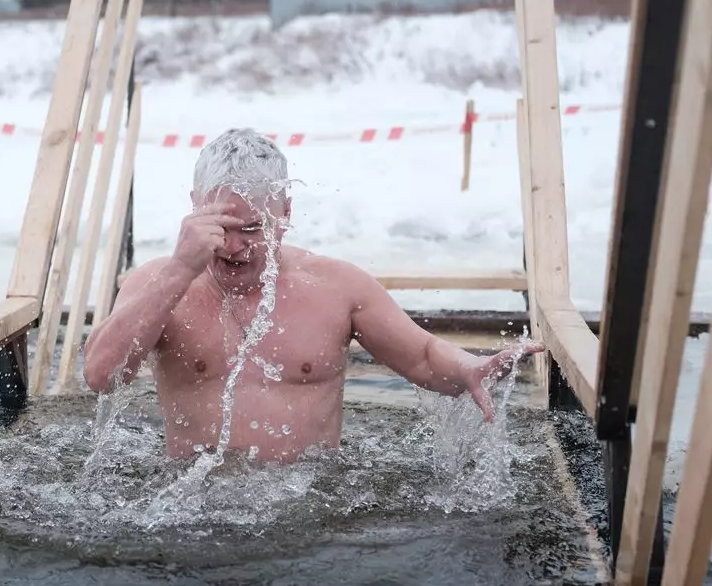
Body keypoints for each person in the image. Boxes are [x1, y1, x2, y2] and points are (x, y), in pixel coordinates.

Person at [82, 128, 544, 462]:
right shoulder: (158, 285)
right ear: (194, 206)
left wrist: (467, 370)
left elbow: (421, 355)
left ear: (285, 212)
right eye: (222, 228)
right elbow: (101, 376)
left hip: (307, 507)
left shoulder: (336, 287)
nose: (235, 246)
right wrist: (181, 269)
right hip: (191, 508)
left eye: (253, 228)